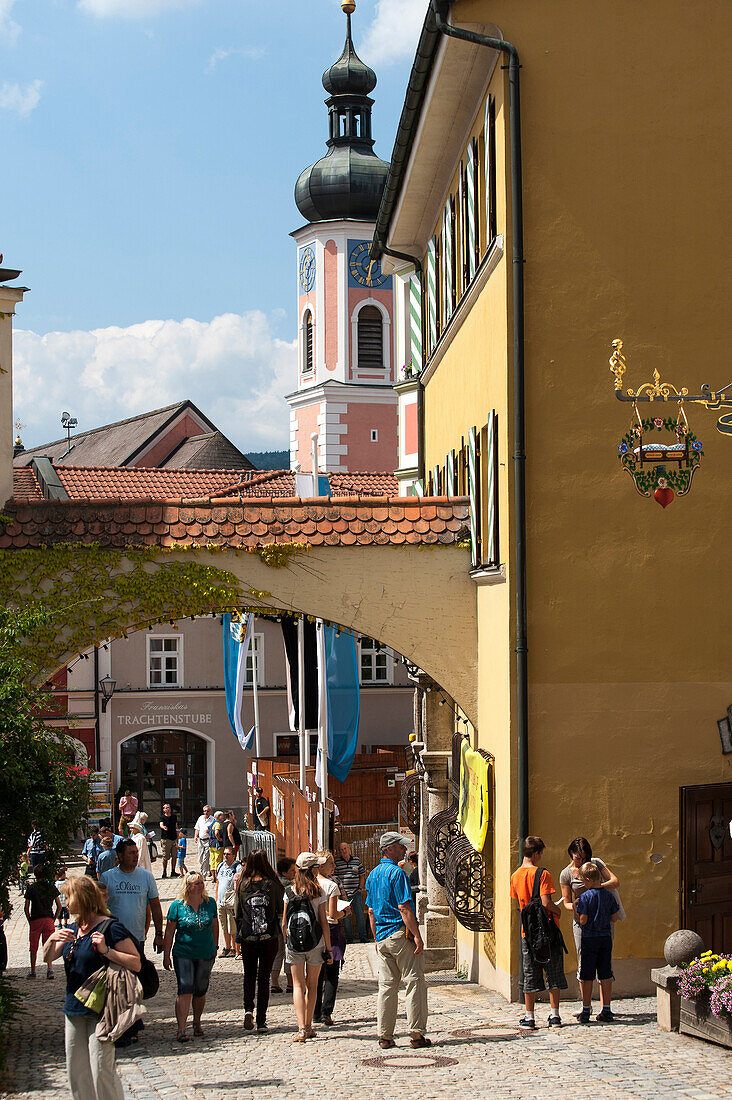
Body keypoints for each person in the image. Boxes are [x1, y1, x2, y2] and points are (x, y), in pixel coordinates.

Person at [43, 873, 140, 1100]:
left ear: (81, 898)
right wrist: (52, 939)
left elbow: (136, 962)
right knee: (76, 1072)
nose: (65, 902)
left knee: (100, 1069)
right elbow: (48, 957)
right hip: (73, 1009)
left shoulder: (110, 928)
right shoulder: (74, 928)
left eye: (68, 896)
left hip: (103, 1009)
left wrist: (107, 950)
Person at [365, 831, 429, 1050]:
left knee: (387, 987)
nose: (404, 849)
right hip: (399, 934)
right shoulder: (397, 873)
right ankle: (416, 1033)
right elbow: (404, 907)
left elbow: (371, 911)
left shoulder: (372, 875)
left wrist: (375, 938)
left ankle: (385, 1035)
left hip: (382, 936)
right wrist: (418, 935)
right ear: (389, 848)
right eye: (400, 846)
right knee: (414, 981)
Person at [509, 835, 567, 1030]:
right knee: (553, 971)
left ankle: (529, 1016)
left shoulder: (515, 876)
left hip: (528, 932)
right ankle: (554, 1015)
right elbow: (546, 902)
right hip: (548, 929)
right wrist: (557, 910)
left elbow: (519, 901)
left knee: (529, 973)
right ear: (535, 853)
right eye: (540, 854)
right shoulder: (543, 874)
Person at [559, 836, 621, 1002]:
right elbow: (566, 903)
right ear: (571, 854)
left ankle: (604, 1005)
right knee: (583, 960)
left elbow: (614, 881)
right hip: (582, 923)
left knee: (604, 962)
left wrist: (597, 889)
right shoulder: (566, 874)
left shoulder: (595, 864)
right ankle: (586, 1004)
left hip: (602, 920)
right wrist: (576, 905)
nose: (581, 861)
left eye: (584, 857)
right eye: (578, 857)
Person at [163, 871, 219, 1042]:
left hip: (205, 952)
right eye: (196, 883)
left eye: (201, 882)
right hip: (184, 953)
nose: (200, 886)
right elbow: (170, 931)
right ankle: (181, 1028)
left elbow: (214, 926)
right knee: (185, 988)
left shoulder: (210, 904)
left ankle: (197, 1021)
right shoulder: (177, 906)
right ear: (188, 886)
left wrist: (215, 946)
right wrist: (166, 955)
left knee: (200, 990)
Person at [283, 852, 333, 1042]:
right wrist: (328, 949)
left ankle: (301, 1028)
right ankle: (309, 1026)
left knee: (297, 985)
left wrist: (288, 941)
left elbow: (284, 922)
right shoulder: (317, 891)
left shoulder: (290, 891)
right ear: (313, 869)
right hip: (315, 943)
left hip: (294, 944)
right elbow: (323, 921)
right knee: (312, 986)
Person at [235, 849, 284, 1033]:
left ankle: (248, 1008)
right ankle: (261, 1020)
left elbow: (238, 912)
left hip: (248, 936)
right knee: (264, 978)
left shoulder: (243, 884)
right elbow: (280, 909)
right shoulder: (273, 884)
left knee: (249, 975)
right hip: (269, 936)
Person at [575, 862, 620, 1022]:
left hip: (589, 938)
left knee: (587, 975)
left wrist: (576, 909)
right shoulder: (609, 895)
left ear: (588, 880)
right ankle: (606, 1009)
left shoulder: (585, 897)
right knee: (605, 973)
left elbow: (583, 919)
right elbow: (614, 917)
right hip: (605, 937)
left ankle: (586, 1009)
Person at [100, 839, 164, 952]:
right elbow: (99, 908)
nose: (135, 856)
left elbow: (155, 906)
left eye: (136, 852)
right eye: (131, 853)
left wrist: (158, 934)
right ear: (120, 855)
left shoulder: (147, 876)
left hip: (137, 937)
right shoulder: (107, 877)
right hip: (113, 937)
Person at [313, 849, 348, 1027]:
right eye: (331, 863)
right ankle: (326, 1012)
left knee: (315, 975)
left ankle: (315, 1012)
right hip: (331, 931)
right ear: (321, 866)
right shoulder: (331, 886)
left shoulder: (310, 883)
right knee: (332, 974)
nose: (334, 866)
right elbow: (333, 914)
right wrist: (345, 912)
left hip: (313, 931)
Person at [24, 858, 61, 978]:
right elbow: (59, 906)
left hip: (36, 919)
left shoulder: (32, 888)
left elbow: (26, 907)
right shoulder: (50, 887)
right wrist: (54, 918)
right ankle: (50, 969)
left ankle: (33, 970)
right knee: (48, 945)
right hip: (48, 919)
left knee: (33, 946)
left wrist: (30, 919)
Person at [334, 841, 368, 943]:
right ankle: (349, 937)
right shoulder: (337, 863)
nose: (344, 851)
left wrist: (360, 887)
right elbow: (335, 877)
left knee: (360, 914)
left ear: (349, 849)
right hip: (343, 894)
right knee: (346, 916)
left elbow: (361, 874)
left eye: (345, 848)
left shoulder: (356, 861)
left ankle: (363, 936)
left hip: (356, 893)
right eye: (341, 849)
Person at [271, 857, 296, 995]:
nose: (294, 873)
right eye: (292, 870)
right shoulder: (288, 887)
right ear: (284, 872)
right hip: (286, 922)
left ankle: (274, 982)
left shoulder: (273, 884)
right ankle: (290, 983)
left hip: (275, 922)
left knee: (277, 953)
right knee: (288, 952)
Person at [215, 845, 241, 958]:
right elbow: (218, 883)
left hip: (230, 901)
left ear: (233, 855)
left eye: (228, 854)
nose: (225, 856)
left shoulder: (237, 867)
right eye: (224, 854)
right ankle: (227, 947)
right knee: (224, 926)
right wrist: (216, 898)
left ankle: (236, 949)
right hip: (221, 901)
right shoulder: (220, 866)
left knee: (232, 927)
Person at [193, 805, 215, 879]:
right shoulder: (201, 818)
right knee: (200, 858)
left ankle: (203, 875)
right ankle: (209, 869)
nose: (206, 812)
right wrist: (195, 836)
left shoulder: (213, 820)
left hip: (208, 841)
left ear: (210, 812)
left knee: (205, 858)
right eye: (204, 811)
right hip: (200, 840)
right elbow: (197, 828)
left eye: (207, 811)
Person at [159, 803, 178, 879]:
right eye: (165, 808)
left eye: (168, 807)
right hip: (166, 839)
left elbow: (176, 827)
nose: (167, 809)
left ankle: (173, 871)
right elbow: (161, 824)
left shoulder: (174, 817)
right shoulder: (162, 817)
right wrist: (163, 827)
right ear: (163, 809)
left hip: (173, 838)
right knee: (165, 856)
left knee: (174, 856)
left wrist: (177, 838)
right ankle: (164, 871)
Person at [209, 812, 226, 878]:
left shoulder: (212, 823)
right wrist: (219, 839)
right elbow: (216, 833)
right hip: (217, 844)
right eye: (222, 816)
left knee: (212, 861)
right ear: (218, 817)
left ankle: (213, 877)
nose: (223, 817)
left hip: (211, 843)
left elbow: (207, 831)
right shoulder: (218, 824)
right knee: (218, 861)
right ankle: (217, 876)